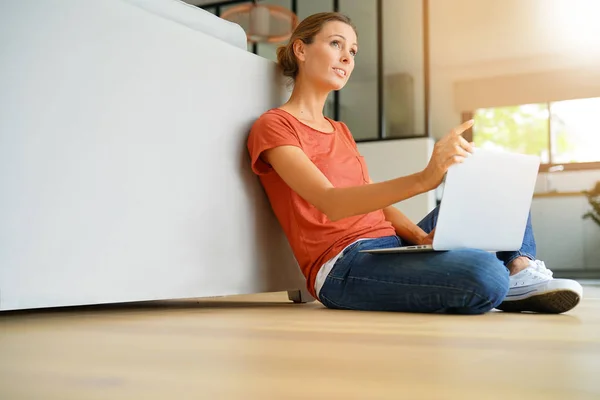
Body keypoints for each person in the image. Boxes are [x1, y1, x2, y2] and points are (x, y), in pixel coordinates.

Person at [247, 12, 583, 314]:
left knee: (503, 193)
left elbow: (371, 202)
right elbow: (330, 203)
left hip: (391, 245)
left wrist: (421, 237)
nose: (347, 57)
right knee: (485, 272)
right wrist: (425, 179)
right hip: (342, 266)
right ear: (300, 50)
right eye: (336, 44)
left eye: (352, 51)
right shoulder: (275, 125)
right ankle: (500, 281)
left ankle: (521, 271)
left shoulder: (340, 130)